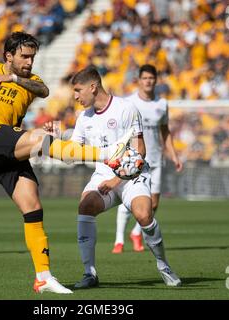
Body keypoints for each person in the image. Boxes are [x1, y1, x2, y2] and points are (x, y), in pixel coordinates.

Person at [0, 32, 131, 294]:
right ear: (9, 56)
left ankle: (43, 276)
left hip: (6, 149)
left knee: (33, 206)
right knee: (41, 139)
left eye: (32, 57)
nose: (29, 62)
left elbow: (44, 90)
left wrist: (14, 79)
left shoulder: (31, 81)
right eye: (24, 56)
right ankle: (107, 154)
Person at [60, 66, 181, 289]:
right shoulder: (83, 118)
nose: (75, 96)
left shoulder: (126, 108)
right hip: (103, 175)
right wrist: (54, 139)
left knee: (144, 214)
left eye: (78, 90)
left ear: (93, 87)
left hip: (132, 175)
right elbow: (72, 153)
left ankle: (164, 265)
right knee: (85, 206)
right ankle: (89, 274)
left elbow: (140, 151)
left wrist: (117, 181)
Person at [112, 64, 183, 254]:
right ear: (139, 80)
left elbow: (165, 132)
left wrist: (174, 155)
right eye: (145, 78)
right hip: (133, 158)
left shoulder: (162, 104)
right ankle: (119, 240)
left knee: (153, 203)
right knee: (129, 200)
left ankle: (136, 233)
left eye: (151, 78)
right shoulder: (129, 102)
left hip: (155, 159)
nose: (148, 81)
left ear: (156, 80)